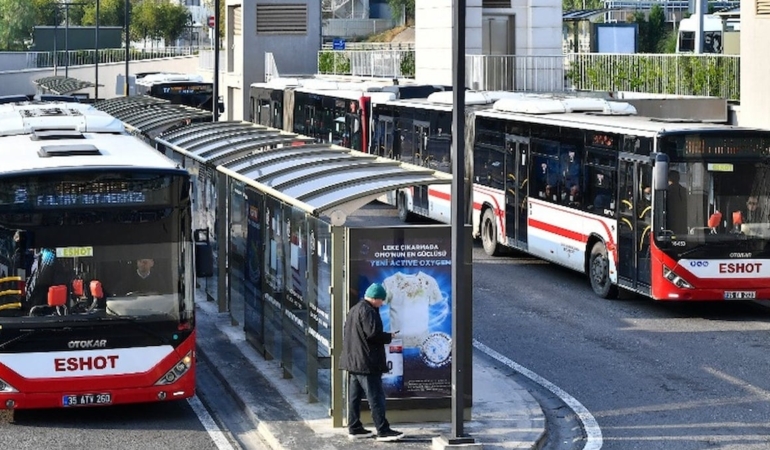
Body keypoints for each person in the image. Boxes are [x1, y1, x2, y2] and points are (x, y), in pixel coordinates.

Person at [339, 283, 404, 442]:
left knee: (354, 397)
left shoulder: (354, 309)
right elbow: (373, 334)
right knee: (376, 397)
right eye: (381, 300)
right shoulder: (368, 311)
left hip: (353, 361)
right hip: (366, 363)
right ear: (375, 299)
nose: (382, 303)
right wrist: (390, 337)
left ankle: (354, 427)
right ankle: (383, 430)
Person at [666, 170, 689, 234]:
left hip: (668, 223)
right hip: (683, 223)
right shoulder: (684, 191)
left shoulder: (665, 191)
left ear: (668, 178)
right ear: (678, 178)